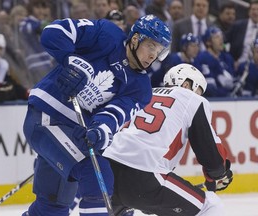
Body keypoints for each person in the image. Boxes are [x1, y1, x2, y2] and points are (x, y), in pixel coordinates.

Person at [22, 14, 171, 216]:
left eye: (159, 51)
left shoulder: (141, 88)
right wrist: (70, 60)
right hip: (45, 117)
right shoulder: (106, 34)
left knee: (52, 206)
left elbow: (116, 114)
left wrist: (100, 130)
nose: (154, 55)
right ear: (136, 38)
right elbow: (53, 32)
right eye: (151, 46)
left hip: (74, 134)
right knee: (95, 172)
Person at [103, 63, 233, 216]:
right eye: (198, 90)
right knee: (211, 206)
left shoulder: (146, 93)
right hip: (146, 175)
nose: (199, 95)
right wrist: (218, 175)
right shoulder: (192, 99)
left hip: (108, 169)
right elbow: (212, 157)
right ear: (186, 84)